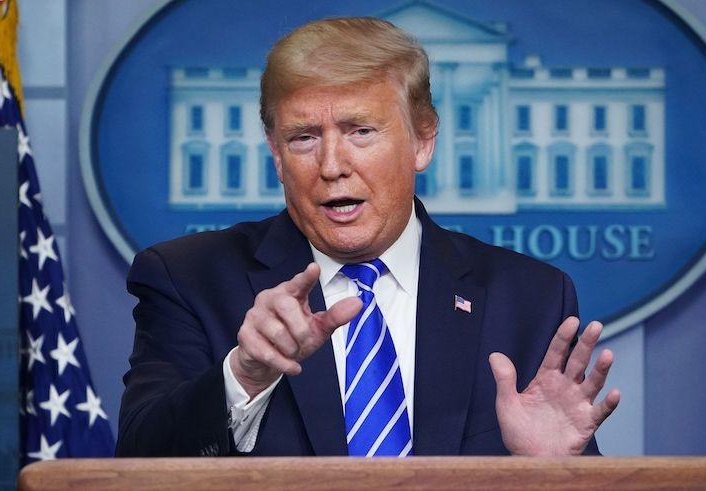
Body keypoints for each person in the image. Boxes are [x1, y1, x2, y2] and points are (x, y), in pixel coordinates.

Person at [116, 16, 620, 458]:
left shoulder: (529, 296)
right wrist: (244, 375)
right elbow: (138, 462)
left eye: (361, 131)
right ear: (276, 154)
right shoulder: (189, 278)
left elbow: (563, 465)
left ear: (423, 141)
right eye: (303, 138)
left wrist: (553, 473)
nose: (332, 166)